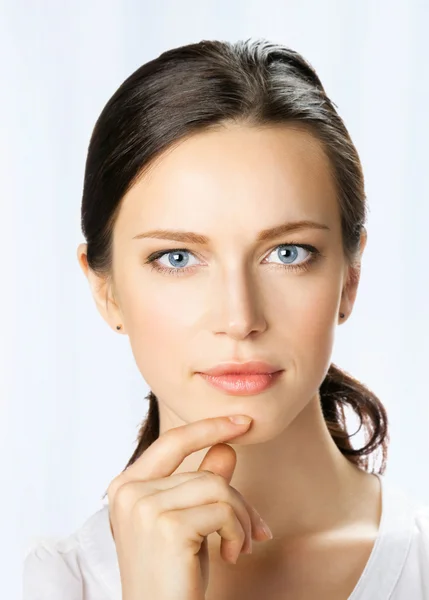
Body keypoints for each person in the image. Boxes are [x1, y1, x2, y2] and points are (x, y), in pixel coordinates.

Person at [23, 37, 429, 600]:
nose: (240, 318)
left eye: (288, 253)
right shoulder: (52, 583)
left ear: (350, 277)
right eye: (177, 258)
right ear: (106, 290)